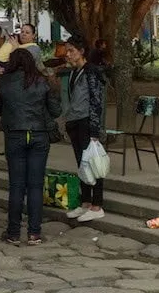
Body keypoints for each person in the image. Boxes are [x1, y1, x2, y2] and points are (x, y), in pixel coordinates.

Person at [0, 48, 61, 246]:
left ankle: (13, 232)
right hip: (39, 135)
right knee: (36, 186)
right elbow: (56, 111)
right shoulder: (42, 82)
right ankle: (34, 233)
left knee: (16, 185)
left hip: (14, 136)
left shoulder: (4, 83)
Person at [63, 36, 106, 222]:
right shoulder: (74, 72)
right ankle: (86, 202)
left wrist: (95, 130)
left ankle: (97, 204)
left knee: (93, 163)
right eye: (67, 50)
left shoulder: (91, 71)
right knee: (82, 163)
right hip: (75, 121)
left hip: (87, 122)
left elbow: (96, 101)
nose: (68, 54)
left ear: (81, 51)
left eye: (71, 50)